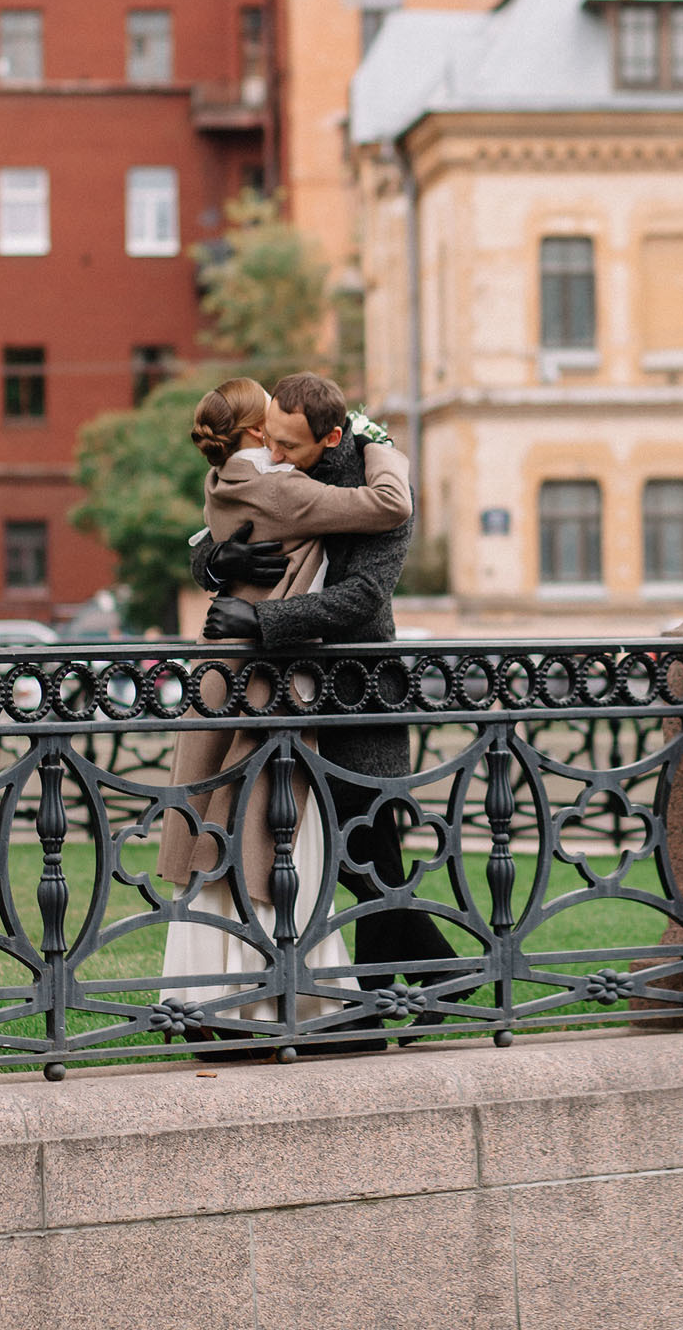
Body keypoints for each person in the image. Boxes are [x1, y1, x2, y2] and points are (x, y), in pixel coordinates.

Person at [192, 371, 458, 1019]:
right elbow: (215, 531)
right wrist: (219, 563)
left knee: (364, 851)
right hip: (290, 695)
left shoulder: (374, 479)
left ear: (331, 437)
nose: (272, 452)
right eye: (269, 438)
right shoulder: (282, 463)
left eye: (287, 445)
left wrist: (260, 620)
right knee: (334, 852)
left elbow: (362, 596)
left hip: (359, 692)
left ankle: (390, 1004)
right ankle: (428, 984)